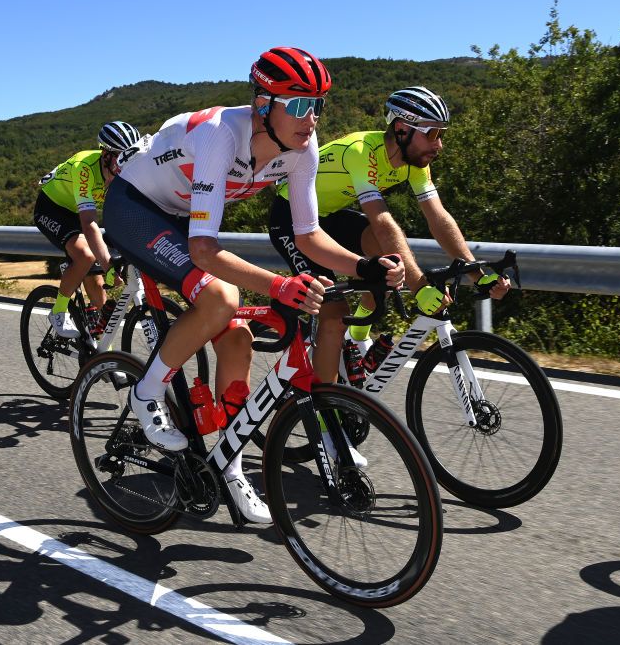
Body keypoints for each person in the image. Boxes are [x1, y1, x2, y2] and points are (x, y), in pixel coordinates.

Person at [101, 47, 404, 523]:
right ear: (263, 104)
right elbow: (204, 251)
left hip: (180, 218)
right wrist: (281, 286)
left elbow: (309, 235)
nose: (311, 118)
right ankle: (146, 392)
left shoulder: (303, 150)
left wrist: (364, 267)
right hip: (135, 208)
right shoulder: (222, 136)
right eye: (299, 104)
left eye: (318, 105)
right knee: (222, 297)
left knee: (238, 339)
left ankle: (229, 463)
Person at [269, 86, 511, 391]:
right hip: (290, 219)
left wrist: (477, 273)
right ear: (401, 130)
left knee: (386, 259)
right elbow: (381, 220)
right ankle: (325, 406)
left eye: (441, 134)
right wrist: (419, 286)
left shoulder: (414, 163)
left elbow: (438, 218)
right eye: (433, 133)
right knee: (333, 314)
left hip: (329, 217)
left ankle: (357, 340)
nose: (439, 145)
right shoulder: (362, 152)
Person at [33, 122, 141, 338]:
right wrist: (108, 263)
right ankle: (58, 311)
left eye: (128, 157)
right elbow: (89, 222)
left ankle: (102, 353)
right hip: (53, 208)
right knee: (85, 255)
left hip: (78, 212)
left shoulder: (124, 174)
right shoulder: (84, 167)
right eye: (120, 157)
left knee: (100, 294)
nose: (124, 164)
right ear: (106, 154)